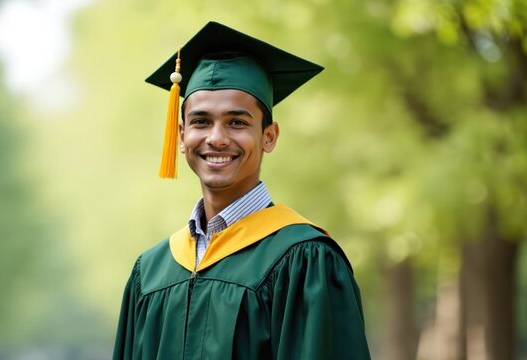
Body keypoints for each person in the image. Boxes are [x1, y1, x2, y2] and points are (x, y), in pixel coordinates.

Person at [113, 22, 371, 359]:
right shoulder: (149, 272)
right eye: (201, 121)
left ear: (269, 137)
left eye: (237, 122)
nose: (216, 138)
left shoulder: (305, 262)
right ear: (180, 135)